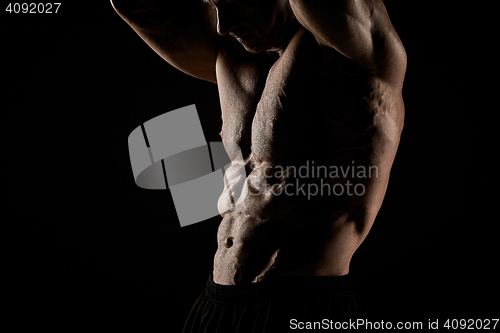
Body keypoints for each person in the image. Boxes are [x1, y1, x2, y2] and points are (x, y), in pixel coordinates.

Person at [111, 0, 406, 331]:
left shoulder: (356, 51)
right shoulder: (231, 59)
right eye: (213, 4)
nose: (223, 24)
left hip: (304, 305)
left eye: (235, 4)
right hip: (217, 302)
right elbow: (139, 7)